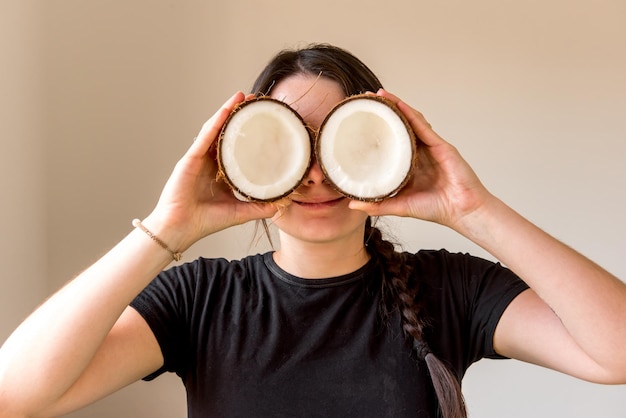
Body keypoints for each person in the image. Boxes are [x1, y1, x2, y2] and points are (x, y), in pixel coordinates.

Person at [0, 43, 625, 418]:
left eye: (342, 140)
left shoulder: (449, 288)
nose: (317, 174)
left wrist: (473, 209)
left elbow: (616, 353)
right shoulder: (201, 300)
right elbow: (16, 394)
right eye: (290, 142)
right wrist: (167, 229)